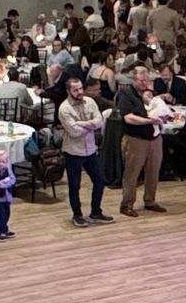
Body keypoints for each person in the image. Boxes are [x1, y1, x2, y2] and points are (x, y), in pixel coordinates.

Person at [56, 77, 111, 228]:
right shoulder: (64, 108)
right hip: (73, 151)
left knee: (100, 180)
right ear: (68, 91)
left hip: (90, 149)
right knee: (75, 185)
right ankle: (77, 214)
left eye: (80, 88)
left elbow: (99, 122)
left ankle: (95, 211)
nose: (79, 92)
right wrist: (90, 125)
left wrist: (82, 123)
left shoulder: (90, 102)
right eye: (75, 90)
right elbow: (74, 132)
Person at [114, 65, 169, 217]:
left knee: (153, 170)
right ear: (134, 79)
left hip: (154, 138)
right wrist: (148, 120)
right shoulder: (126, 94)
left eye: (147, 80)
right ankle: (127, 204)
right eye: (141, 80)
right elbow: (128, 117)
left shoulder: (149, 94)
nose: (145, 83)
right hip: (135, 139)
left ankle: (150, 200)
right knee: (132, 173)